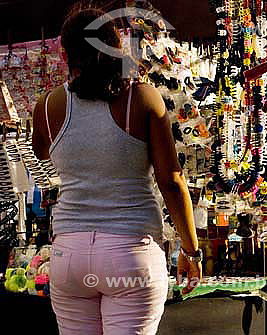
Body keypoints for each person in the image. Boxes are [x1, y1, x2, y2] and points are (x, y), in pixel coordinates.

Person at [32, 6, 202, 335]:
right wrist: (191, 252)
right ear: (115, 46)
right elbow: (171, 181)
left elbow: (41, 150)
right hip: (129, 254)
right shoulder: (142, 98)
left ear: (66, 55)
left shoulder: (48, 106)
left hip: (70, 257)